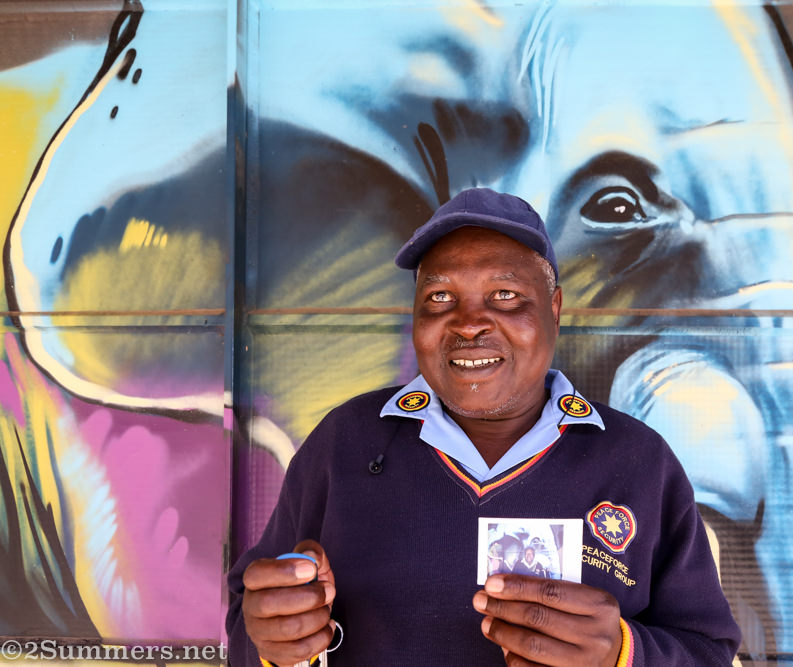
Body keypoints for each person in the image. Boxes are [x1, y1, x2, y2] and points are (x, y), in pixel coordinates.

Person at [226, 188, 741, 666]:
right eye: (440, 299)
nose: (469, 323)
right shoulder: (346, 441)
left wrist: (622, 653)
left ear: (554, 309)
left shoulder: (637, 460)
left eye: (505, 296)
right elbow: (248, 619)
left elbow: (709, 651)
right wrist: (275, 639)